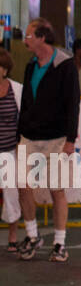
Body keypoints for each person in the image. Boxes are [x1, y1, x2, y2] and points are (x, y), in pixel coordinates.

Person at [16, 18, 80, 263]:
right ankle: (32, 235)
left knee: (57, 189)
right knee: (23, 185)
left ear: (42, 37)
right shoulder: (31, 65)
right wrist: (20, 132)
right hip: (30, 136)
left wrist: (70, 139)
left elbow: (73, 103)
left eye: (29, 36)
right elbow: (27, 101)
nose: (25, 41)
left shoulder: (65, 65)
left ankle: (59, 242)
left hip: (57, 137)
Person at [0, 49, 22, 254]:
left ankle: (13, 236)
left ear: (5, 70)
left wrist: (20, 146)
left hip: (9, 150)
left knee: (11, 194)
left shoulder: (17, 90)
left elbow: (24, 120)